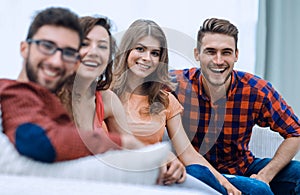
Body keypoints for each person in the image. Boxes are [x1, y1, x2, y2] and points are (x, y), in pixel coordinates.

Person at [56, 16, 220, 194]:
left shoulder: (107, 99)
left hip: (138, 176)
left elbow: (132, 145)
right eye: (85, 44)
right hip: (93, 181)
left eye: (102, 46)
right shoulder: (49, 96)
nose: (94, 52)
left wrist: (163, 156)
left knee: (200, 177)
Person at [170, 17, 300, 195]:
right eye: (210, 51)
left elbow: (295, 132)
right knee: (257, 190)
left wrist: (265, 175)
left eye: (226, 52)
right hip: (200, 172)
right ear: (197, 54)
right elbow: (137, 88)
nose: (218, 60)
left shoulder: (256, 90)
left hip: (242, 168)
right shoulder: (176, 85)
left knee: (294, 174)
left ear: (236, 55)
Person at [111, 19, 240, 195]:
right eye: (140, 49)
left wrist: (224, 182)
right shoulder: (105, 93)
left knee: (257, 189)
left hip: (164, 176)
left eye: (155, 53)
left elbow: (188, 154)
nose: (146, 58)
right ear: (126, 50)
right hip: (126, 175)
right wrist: (160, 157)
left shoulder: (165, 100)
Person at [0, 7, 144, 163]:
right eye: (47, 46)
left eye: (67, 52)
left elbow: (137, 154)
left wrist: (160, 158)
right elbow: (38, 142)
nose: (56, 61)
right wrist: (122, 143)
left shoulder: (104, 98)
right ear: (24, 49)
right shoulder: (16, 91)